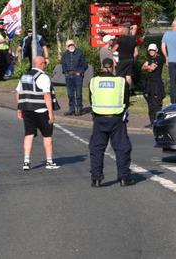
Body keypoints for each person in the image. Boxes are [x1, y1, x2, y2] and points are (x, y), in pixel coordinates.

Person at [89, 58, 134, 187]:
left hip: (99, 119)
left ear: (102, 67)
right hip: (116, 119)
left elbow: (91, 100)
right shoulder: (121, 82)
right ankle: (124, 178)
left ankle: (96, 179)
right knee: (122, 148)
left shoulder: (94, 81)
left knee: (97, 149)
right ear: (113, 66)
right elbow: (126, 101)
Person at [15, 56, 59, 171]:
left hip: (27, 110)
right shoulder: (43, 77)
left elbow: (18, 92)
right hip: (41, 110)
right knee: (47, 136)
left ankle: (26, 161)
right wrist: (51, 113)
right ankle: (49, 162)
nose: (46, 64)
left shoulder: (24, 76)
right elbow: (47, 95)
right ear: (40, 64)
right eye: (45, 62)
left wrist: (19, 108)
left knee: (29, 135)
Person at [61, 40, 88, 116]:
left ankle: (79, 109)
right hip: (68, 76)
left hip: (78, 75)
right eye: (69, 45)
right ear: (67, 47)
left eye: (72, 44)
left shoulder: (79, 53)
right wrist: (65, 72)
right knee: (70, 94)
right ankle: (71, 109)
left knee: (78, 94)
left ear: (74, 45)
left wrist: (80, 72)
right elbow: (63, 64)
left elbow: (85, 64)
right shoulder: (65, 54)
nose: (71, 46)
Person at [141, 43, 165, 127]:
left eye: (153, 50)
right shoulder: (149, 59)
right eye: (150, 50)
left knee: (157, 104)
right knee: (150, 105)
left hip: (156, 84)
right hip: (149, 84)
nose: (151, 52)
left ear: (156, 50)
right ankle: (152, 123)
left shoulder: (159, 59)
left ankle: (158, 123)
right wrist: (147, 66)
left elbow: (151, 69)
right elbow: (142, 68)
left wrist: (147, 66)